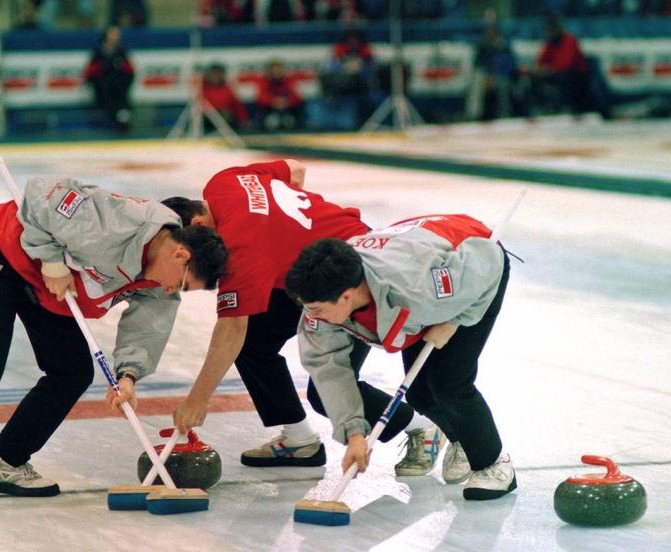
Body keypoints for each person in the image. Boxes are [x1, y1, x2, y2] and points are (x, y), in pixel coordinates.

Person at [0, 176, 228, 516]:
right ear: (180, 255)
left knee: (71, 372)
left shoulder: (160, 284)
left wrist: (128, 375)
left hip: (50, 292)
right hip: (1, 259)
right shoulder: (125, 220)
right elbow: (41, 193)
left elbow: (149, 326)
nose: (170, 291)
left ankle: (4, 463)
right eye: (181, 284)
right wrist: (51, 260)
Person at [165, 160, 442, 476]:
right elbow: (295, 169)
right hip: (301, 274)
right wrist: (289, 232)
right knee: (253, 345)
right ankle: (299, 440)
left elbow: (232, 326)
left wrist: (197, 400)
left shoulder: (240, 249)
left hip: (350, 277)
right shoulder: (222, 182)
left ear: (199, 226)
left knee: (327, 390)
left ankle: (422, 427)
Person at [285, 213, 516, 500]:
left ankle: (494, 465)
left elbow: (488, 257)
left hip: (472, 259)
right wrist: (355, 434)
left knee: (448, 382)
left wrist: (456, 318)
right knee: (420, 394)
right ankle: (459, 436)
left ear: (346, 297)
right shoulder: (322, 309)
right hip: (414, 260)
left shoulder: (419, 289)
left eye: (317, 309)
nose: (311, 316)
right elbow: (329, 369)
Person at [83, 25, 135, 131]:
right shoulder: (98, 53)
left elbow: (130, 71)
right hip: (103, 87)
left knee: (121, 97)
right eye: (112, 34)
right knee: (107, 93)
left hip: (119, 87)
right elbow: (90, 73)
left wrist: (122, 81)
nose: (115, 37)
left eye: (117, 34)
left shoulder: (121, 52)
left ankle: (122, 120)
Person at [254, 58, 303, 131]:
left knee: (299, 108)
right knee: (260, 109)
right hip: (270, 109)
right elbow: (261, 97)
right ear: (269, 70)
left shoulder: (288, 80)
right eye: (273, 69)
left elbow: (296, 97)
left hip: (287, 108)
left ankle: (298, 129)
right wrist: (273, 102)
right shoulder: (264, 81)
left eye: (278, 69)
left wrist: (286, 102)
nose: (276, 71)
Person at [200, 62, 250, 130]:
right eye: (214, 74)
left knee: (226, 115)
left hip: (225, 119)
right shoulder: (201, 89)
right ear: (208, 75)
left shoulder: (228, 90)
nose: (216, 77)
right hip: (207, 119)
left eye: (219, 74)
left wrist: (244, 120)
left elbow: (237, 106)